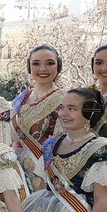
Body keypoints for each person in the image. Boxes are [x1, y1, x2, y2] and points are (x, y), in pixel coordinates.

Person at [12, 44, 66, 183]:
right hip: (14, 170)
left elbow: (64, 143)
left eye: (50, 63)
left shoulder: (65, 100)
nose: (42, 69)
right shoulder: (20, 98)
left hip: (43, 172)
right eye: (36, 64)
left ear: (58, 66)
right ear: (29, 67)